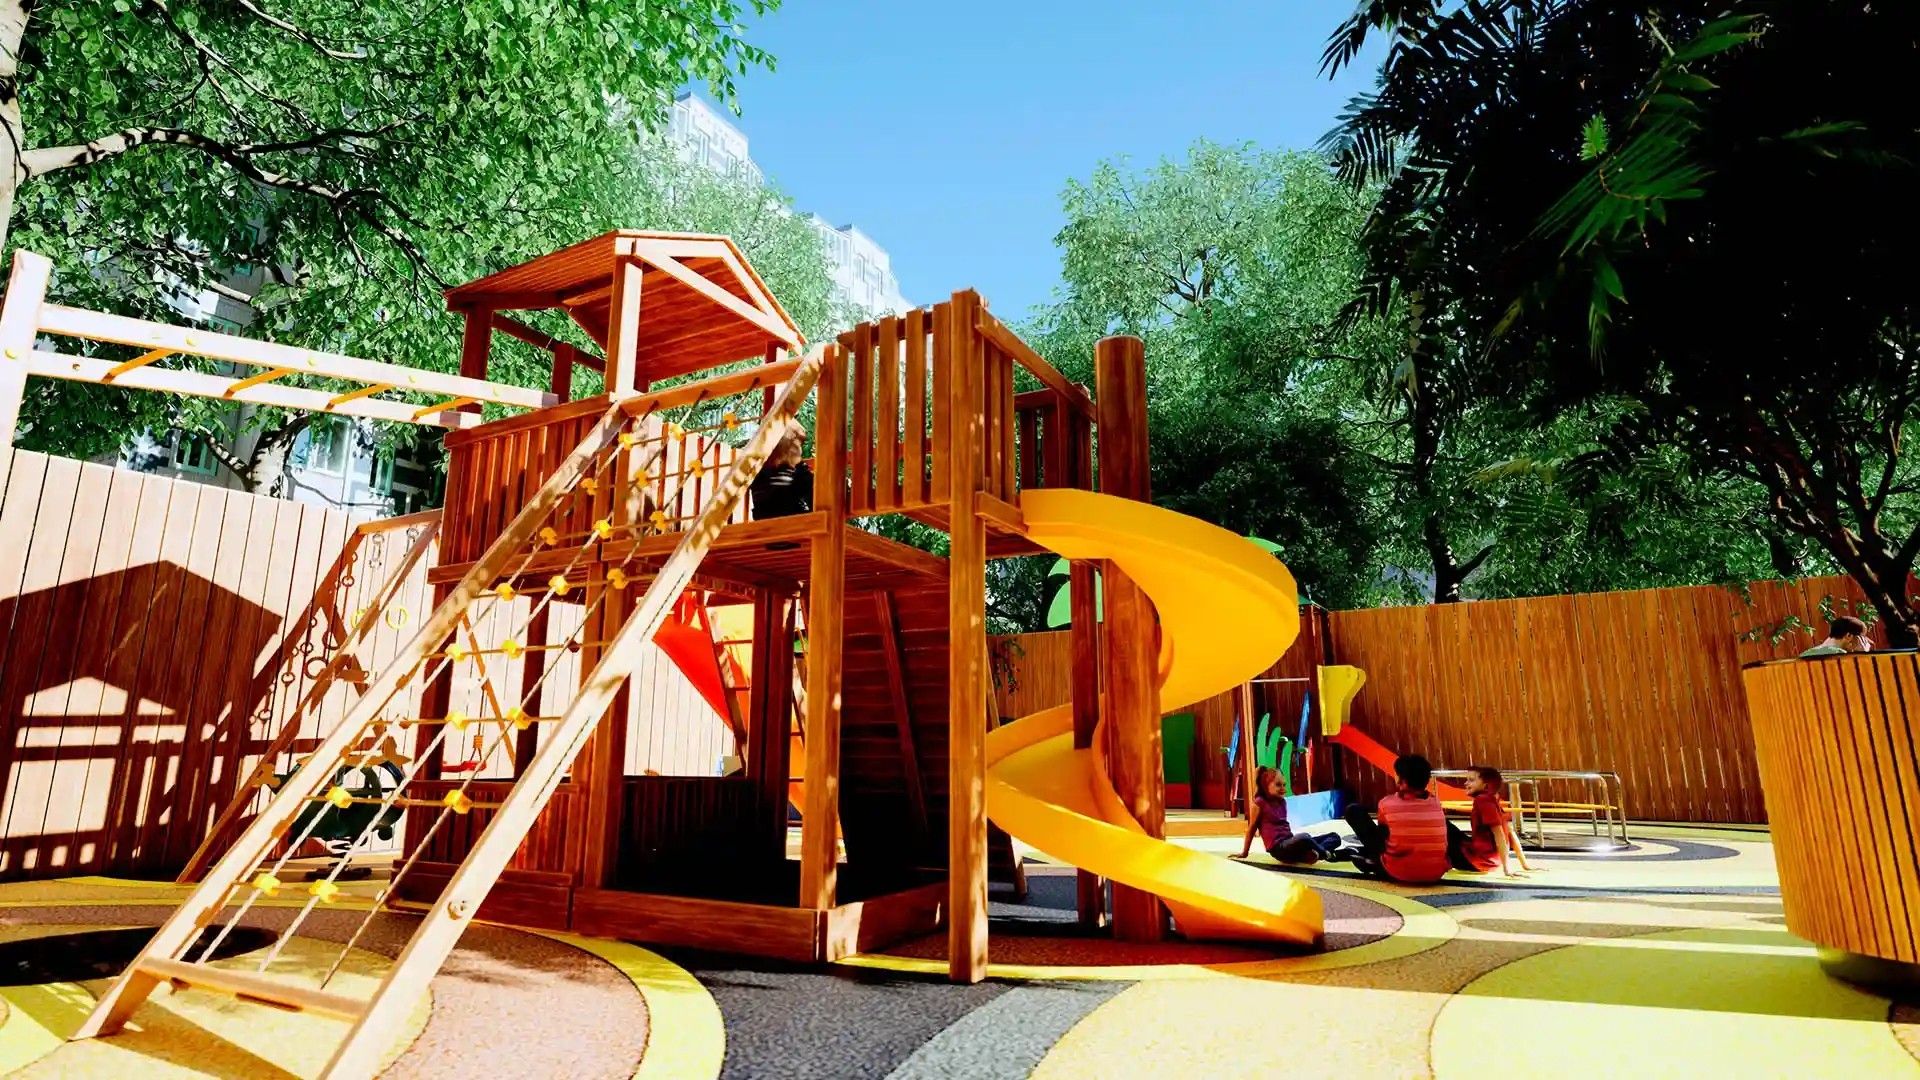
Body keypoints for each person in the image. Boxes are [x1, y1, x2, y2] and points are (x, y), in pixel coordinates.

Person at [1342, 754, 1454, 884]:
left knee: (1353, 810)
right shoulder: (1436, 803)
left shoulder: (1386, 803)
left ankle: (1373, 861)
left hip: (1397, 872)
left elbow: (1381, 839)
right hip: (1435, 873)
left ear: (1402, 780)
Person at [1237, 766, 1344, 865]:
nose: (1283, 788)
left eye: (1284, 785)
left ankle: (1311, 855)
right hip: (1279, 848)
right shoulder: (1259, 803)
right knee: (1304, 837)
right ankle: (1325, 854)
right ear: (1266, 786)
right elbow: (1252, 828)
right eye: (1278, 785)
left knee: (1335, 837)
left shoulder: (1282, 802)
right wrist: (1245, 852)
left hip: (1290, 843)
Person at [1453, 766, 1534, 877]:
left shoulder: (1483, 800)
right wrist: (1524, 864)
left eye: (1471, 780)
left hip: (1479, 862)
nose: (1466, 783)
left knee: (1444, 826)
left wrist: (1507, 869)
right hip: (1491, 862)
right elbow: (1510, 832)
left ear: (1486, 785)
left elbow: (1499, 834)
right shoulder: (1493, 799)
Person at [750, 426, 813, 520]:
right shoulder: (768, 476)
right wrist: (801, 469)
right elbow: (779, 502)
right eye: (797, 445)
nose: (800, 450)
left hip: (775, 521)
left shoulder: (762, 474)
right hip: (786, 522)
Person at [1800, 616, 1872, 657]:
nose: (1864, 642)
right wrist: (1864, 654)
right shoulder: (1841, 656)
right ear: (1849, 636)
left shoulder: (1805, 654)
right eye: (1862, 638)